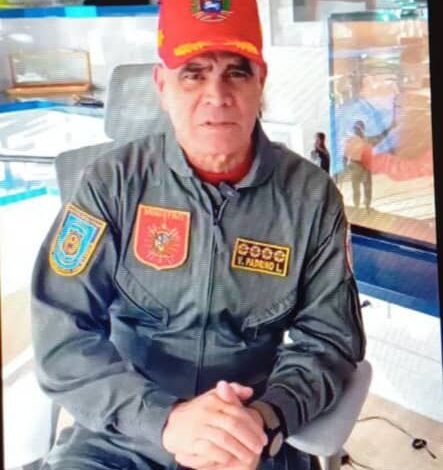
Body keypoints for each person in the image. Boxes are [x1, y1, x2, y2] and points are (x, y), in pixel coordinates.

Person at [31, 1, 365, 469]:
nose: (217, 94)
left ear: (260, 82)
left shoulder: (311, 197)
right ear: (161, 86)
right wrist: (165, 421)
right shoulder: (111, 184)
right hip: (125, 434)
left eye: (236, 73)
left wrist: (265, 420)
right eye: (194, 73)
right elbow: (61, 333)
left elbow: (330, 342)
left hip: (251, 435)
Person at [344, 119, 395, 212]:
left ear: (362, 129)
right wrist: (346, 167)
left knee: (365, 188)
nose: (356, 130)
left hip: (363, 167)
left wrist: (391, 127)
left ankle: (364, 207)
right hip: (356, 166)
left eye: (358, 128)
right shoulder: (354, 141)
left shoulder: (365, 140)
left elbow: (381, 136)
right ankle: (358, 207)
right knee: (358, 188)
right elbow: (345, 155)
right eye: (356, 128)